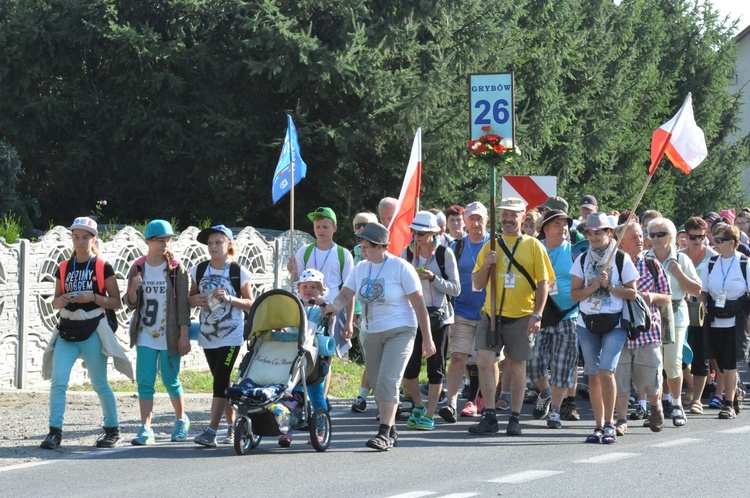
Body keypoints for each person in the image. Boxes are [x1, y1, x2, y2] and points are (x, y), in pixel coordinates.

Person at [324, 222, 435, 451]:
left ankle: (383, 433)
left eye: (365, 247)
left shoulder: (401, 268)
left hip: (400, 330)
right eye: (361, 247)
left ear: (380, 246)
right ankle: (392, 428)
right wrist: (333, 307)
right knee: (377, 383)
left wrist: (428, 338)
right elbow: (346, 293)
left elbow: (419, 305)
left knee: (388, 380)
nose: (362, 251)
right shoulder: (361, 268)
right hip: (370, 332)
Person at [40, 217, 132, 450]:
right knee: (58, 382)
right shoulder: (63, 267)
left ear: (94, 238)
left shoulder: (102, 266)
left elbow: (116, 302)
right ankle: (54, 432)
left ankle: (112, 429)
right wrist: (60, 300)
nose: (80, 242)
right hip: (67, 329)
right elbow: (55, 302)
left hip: (93, 329)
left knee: (99, 383)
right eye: (75, 237)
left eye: (85, 237)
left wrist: (92, 297)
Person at [468, 197, 554, 436]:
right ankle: (490, 415)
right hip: (491, 314)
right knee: (484, 362)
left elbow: (543, 284)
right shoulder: (490, 246)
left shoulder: (534, 246)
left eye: (512, 215)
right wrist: (486, 265)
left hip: (522, 316)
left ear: (522, 217)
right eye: (504, 214)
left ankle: (514, 417)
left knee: (517, 366)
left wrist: (537, 314)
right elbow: (476, 283)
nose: (507, 219)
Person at [570, 213, 638, 444]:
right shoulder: (581, 260)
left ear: (609, 233)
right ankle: (598, 425)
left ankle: (610, 423)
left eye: (599, 232)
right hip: (586, 323)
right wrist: (592, 287)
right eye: (589, 232)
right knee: (593, 375)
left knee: (606, 371)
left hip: (614, 322)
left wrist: (610, 286)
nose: (593, 236)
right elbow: (574, 295)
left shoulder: (620, 258)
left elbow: (632, 292)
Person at [125, 220, 192, 445]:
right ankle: (145, 428)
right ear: (148, 242)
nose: (165, 244)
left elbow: (183, 305)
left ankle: (181, 419)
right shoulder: (138, 267)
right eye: (159, 240)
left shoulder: (175, 268)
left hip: (170, 335)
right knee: (145, 381)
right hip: (145, 333)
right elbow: (131, 303)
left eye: (167, 239)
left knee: (171, 379)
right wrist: (133, 289)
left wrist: (184, 334)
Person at [190, 225, 254, 447]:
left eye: (218, 242)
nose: (213, 247)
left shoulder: (237, 271)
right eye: (209, 243)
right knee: (223, 382)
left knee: (219, 381)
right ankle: (232, 425)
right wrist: (195, 300)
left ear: (229, 245)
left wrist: (229, 299)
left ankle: (211, 431)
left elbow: (250, 303)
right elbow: (191, 297)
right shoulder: (198, 270)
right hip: (208, 335)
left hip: (231, 336)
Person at [400, 211, 460, 430]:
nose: (418, 236)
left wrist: (433, 278)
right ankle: (418, 405)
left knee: (436, 368)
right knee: (409, 367)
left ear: (434, 233)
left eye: (423, 232)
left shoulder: (445, 254)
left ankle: (431, 413)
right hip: (412, 316)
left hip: (439, 318)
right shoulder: (406, 254)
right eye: (415, 231)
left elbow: (456, 288)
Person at [613, 220, 671, 436]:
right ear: (620, 243)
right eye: (634, 237)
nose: (640, 240)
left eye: (640, 235)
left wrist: (651, 297)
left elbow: (667, 296)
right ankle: (621, 419)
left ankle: (656, 408)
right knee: (620, 378)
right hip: (618, 331)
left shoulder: (651, 264)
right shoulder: (613, 265)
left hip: (647, 331)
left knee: (651, 376)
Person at [646, 217, 701, 427]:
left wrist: (678, 273)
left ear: (671, 236)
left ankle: (677, 404)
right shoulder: (644, 258)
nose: (656, 238)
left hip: (675, 314)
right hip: (651, 316)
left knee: (672, 363)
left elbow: (696, 290)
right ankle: (656, 407)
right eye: (653, 234)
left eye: (661, 234)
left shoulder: (681, 259)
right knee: (654, 364)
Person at [528, 210, 579, 429]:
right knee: (534, 365)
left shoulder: (575, 252)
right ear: (545, 228)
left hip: (568, 314)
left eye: (565, 224)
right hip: (539, 314)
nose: (563, 228)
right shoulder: (534, 249)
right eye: (557, 224)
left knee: (562, 366)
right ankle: (546, 393)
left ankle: (555, 412)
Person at [443, 202, 490, 418]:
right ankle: (451, 402)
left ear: (486, 220)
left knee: (486, 360)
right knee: (458, 357)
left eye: (479, 218)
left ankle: (486, 403)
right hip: (461, 310)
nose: (476, 223)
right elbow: (447, 280)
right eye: (471, 218)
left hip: (489, 312)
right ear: (466, 221)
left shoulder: (495, 244)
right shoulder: (456, 247)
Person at [287, 207, 355, 357]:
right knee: (302, 349)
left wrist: (349, 321)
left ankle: (325, 380)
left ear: (334, 228)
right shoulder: (304, 252)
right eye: (317, 227)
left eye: (325, 227)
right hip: (306, 309)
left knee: (325, 353)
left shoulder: (343, 254)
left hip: (330, 310)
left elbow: (350, 289)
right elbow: (296, 283)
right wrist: (292, 271)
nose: (321, 230)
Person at [700, 223, 750, 419]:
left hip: (736, 319)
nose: (715, 243)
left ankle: (727, 404)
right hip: (715, 317)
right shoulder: (711, 263)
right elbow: (703, 291)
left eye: (719, 240)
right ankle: (734, 391)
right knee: (720, 362)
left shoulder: (744, 263)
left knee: (730, 363)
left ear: (732, 243)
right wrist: (703, 304)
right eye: (715, 239)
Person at [279, 269, 330, 447]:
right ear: (298, 288)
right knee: (290, 395)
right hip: (293, 354)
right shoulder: (295, 305)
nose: (309, 290)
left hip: (314, 356)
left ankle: (320, 429)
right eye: (305, 286)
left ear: (321, 290)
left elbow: (329, 320)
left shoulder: (321, 306)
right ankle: (287, 431)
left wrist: (323, 306)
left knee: (316, 394)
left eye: (314, 287)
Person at [682, 216, 718, 414]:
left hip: (703, 313)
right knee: (680, 354)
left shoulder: (713, 256)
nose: (698, 241)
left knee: (701, 355)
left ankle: (697, 399)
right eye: (694, 237)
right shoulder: (679, 255)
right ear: (686, 236)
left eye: (702, 236)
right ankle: (690, 387)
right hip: (681, 310)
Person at [350, 211, 378, 413]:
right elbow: (350, 287)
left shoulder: (384, 252)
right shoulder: (353, 254)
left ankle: (368, 395)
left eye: (365, 225)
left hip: (382, 314)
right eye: (358, 226)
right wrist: (353, 312)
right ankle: (365, 395)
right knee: (370, 357)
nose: (361, 229)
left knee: (378, 358)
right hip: (361, 314)